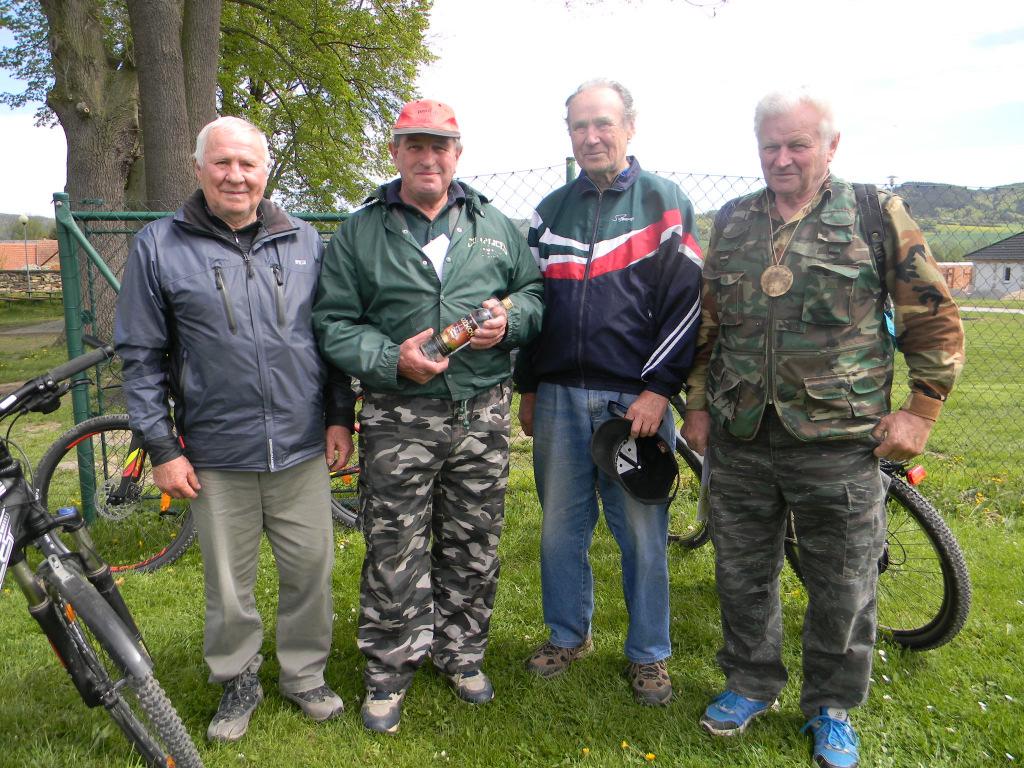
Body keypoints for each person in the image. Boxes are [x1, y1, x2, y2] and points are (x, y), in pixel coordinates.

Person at [681, 89, 965, 768]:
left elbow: (931, 313)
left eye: (797, 144)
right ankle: (750, 684)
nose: (782, 158)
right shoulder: (736, 221)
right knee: (742, 570)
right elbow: (709, 324)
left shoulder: (874, 212)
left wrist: (921, 411)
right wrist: (696, 403)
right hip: (742, 433)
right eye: (771, 146)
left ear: (830, 147)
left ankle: (831, 707)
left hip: (839, 439)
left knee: (844, 582)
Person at [115, 116, 355, 743]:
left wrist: (338, 417)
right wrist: (162, 448)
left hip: (302, 445)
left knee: (310, 569)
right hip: (215, 450)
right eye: (221, 163)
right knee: (228, 582)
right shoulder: (159, 245)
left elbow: (328, 340)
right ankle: (237, 677)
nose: (235, 175)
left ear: (265, 170)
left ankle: (304, 674)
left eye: (247, 163)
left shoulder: (303, 240)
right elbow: (140, 356)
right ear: (198, 169)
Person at [313, 99, 544, 734]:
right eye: (415, 145)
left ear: (457, 154)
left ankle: (461, 653)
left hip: (482, 415)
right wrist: (391, 359)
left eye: (440, 146)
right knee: (394, 544)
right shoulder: (361, 232)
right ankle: (389, 669)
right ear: (395, 152)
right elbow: (332, 323)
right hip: (398, 417)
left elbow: (533, 293)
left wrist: (511, 321)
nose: (428, 157)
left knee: (474, 543)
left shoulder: (494, 225)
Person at [514, 79, 703, 706]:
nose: (590, 137)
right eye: (578, 127)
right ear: (568, 133)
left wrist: (658, 391)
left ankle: (649, 654)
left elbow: (689, 306)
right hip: (561, 399)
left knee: (642, 532)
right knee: (560, 529)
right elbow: (533, 305)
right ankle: (568, 634)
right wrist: (529, 386)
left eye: (602, 124)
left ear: (630, 126)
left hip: (635, 407)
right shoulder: (549, 211)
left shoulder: (666, 203)